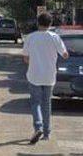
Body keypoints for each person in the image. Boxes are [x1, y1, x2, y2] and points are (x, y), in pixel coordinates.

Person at [22, 12, 69, 144]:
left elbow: (25, 58)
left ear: (38, 23)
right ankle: (47, 133)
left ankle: (38, 127)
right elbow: (65, 55)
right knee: (46, 103)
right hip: (49, 75)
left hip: (34, 75)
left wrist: (34, 60)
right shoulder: (55, 37)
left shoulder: (30, 37)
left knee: (35, 102)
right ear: (51, 24)